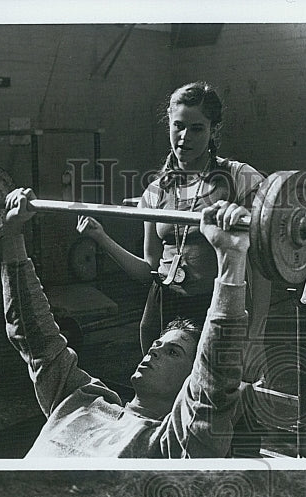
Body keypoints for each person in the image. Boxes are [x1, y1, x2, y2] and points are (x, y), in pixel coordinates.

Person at [2, 186, 257, 458]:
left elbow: (214, 380)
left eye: (173, 352)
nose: (154, 350)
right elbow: (34, 335)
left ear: (189, 385)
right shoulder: (80, 397)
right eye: (158, 344)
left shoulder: (171, 445)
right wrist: (11, 233)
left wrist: (232, 258)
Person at [77, 81, 270, 367]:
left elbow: (261, 268)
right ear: (169, 123)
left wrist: (256, 335)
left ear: (213, 130)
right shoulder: (156, 191)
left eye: (196, 129)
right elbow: (149, 271)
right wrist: (101, 238)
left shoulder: (239, 178)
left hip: (214, 308)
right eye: (178, 126)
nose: (184, 137)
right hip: (162, 311)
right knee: (163, 400)